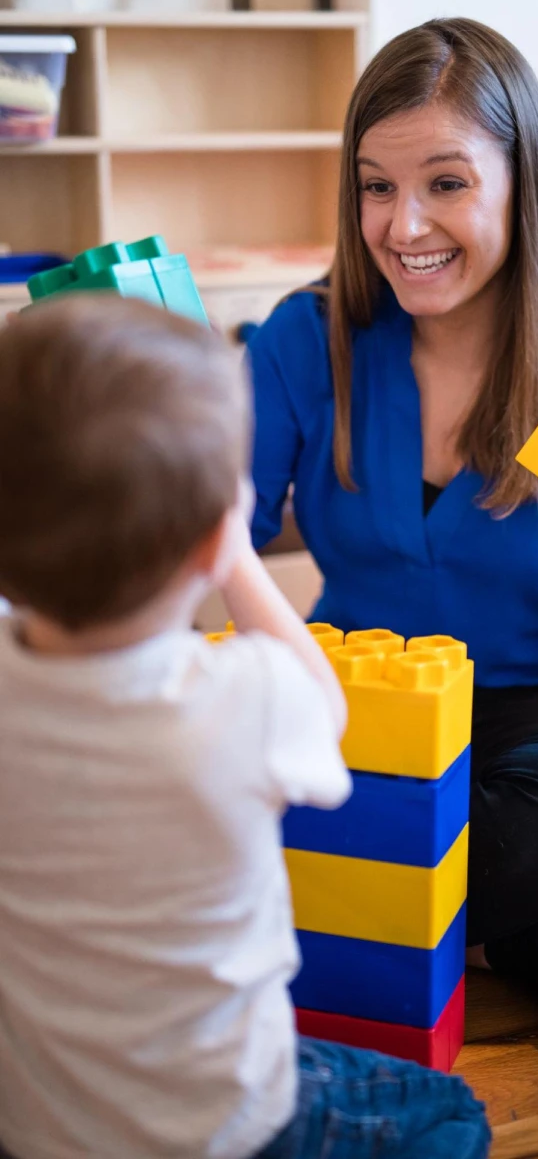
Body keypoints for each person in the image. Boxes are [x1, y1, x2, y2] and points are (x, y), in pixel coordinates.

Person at [246, 17, 538, 1016]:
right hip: (355, 691)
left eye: (446, 183)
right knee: (201, 774)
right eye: (375, 186)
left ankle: (369, 906)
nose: (402, 227)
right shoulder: (307, 338)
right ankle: (491, 932)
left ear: (522, 182)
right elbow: (225, 533)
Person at [0, 297, 491, 1159]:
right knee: (451, 1116)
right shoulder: (251, 700)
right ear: (210, 539)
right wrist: (237, 557)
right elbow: (327, 707)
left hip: (39, 1122)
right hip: (226, 1123)